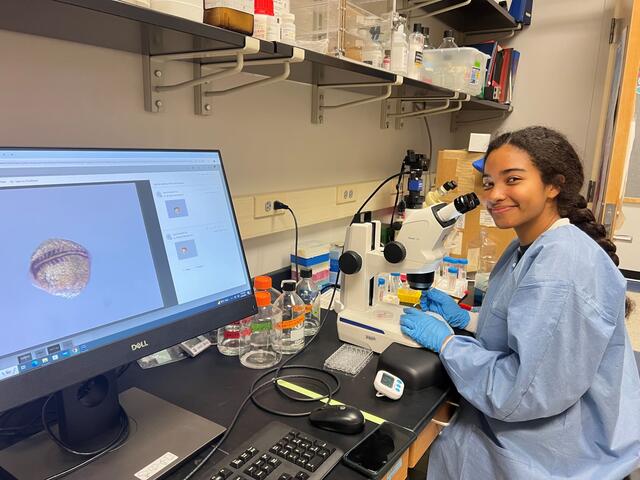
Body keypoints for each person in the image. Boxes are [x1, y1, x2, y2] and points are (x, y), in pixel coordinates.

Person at [400, 127, 640, 479]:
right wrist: (468, 321)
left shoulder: (561, 267)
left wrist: (449, 343)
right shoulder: (529, 244)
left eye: (512, 180)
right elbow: (530, 327)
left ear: (553, 185)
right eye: (487, 183)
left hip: (559, 450)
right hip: (545, 421)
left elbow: (522, 392)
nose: (494, 195)